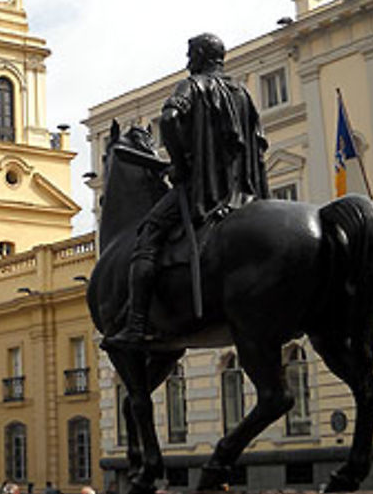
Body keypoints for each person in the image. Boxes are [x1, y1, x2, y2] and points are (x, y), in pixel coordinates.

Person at [104, 33, 269, 348]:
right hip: (243, 191)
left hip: (202, 190)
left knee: (148, 234)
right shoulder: (243, 92)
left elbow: (169, 117)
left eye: (191, 54)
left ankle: (136, 324)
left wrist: (180, 164)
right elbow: (258, 142)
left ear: (202, 56)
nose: (187, 61)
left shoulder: (192, 86)